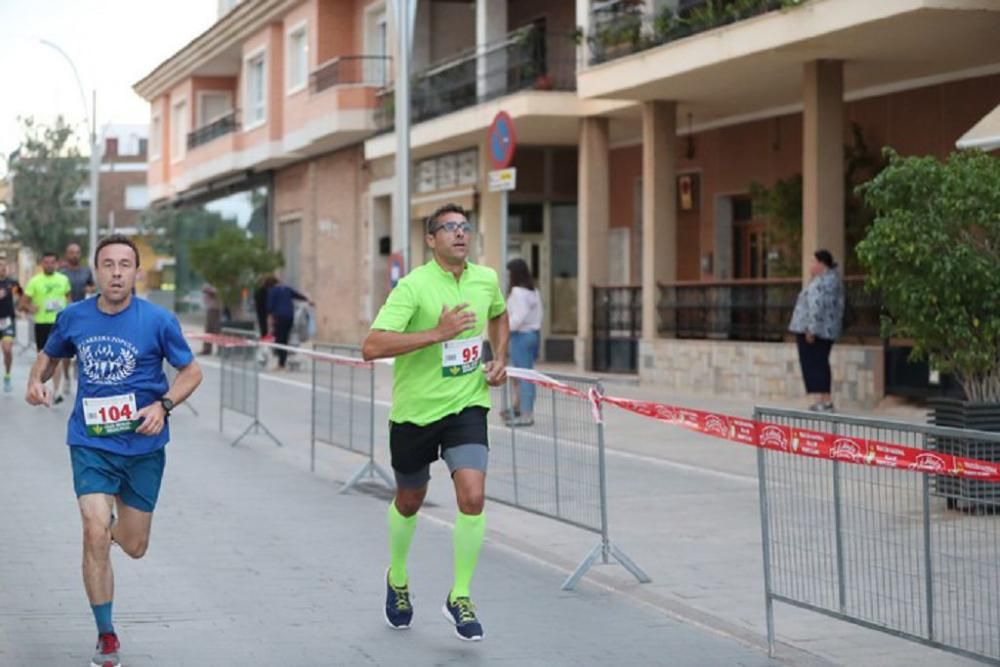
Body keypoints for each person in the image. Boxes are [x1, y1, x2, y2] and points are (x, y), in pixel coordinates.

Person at [24, 234, 203, 667]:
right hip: (91, 442)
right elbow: (49, 355)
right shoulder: (74, 317)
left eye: (125, 264)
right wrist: (35, 380)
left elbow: (191, 371)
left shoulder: (158, 321)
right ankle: (106, 636)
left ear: (136, 272)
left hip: (143, 445)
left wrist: (163, 405)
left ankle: (114, 523)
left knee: (135, 546)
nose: (117, 272)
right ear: (96, 271)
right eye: (108, 264)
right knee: (93, 531)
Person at [362, 203, 509, 642]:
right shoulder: (413, 287)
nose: (460, 234)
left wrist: (500, 357)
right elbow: (371, 346)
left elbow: (498, 314)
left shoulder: (486, 280)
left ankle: (459, 595)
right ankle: (399, 578)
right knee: (410, 499)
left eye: (465, 227)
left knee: (473, 495)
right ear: (431, 239)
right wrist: (437, 334)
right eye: (449, 228)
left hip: (467, 407)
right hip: (416, 413)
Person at [789, 249, 845, 412]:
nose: (811, 266)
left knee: (815, 364)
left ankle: (824, 400)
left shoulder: (820, 283)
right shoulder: (833, 280)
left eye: (813, 262)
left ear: (821, 264)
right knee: (820, 363)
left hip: (815, 331)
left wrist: (811, 330)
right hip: (827, 330)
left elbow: (816, 307)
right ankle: (823, 399)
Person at [21, 251, 72, 403]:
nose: (49, 265)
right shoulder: (34, 281)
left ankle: (56, 391)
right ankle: (39, 387)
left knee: (57, 357)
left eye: (52, 262)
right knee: (43, 358)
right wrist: (31, 308)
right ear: (42, 264)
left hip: (59, 323)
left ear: (56, 264)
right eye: (46, 262)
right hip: (42, 323)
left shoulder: (63, 279)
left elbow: (69, 300)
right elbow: (23, 303)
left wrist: (69, 314)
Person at [504, 258, 543, 427]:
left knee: (523, 376)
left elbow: (517, 318)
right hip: (533, 334)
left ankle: (526, 413)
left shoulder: (517, 293)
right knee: (527, 375)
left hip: (520, 336)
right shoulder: (533, 291)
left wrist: (505, 329)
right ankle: (520, 408)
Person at [60, 242, 97, 392]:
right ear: (66, 254)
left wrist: (89, 288)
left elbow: (93, 286)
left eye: (77, 252)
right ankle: (67, 377)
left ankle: (80, 373)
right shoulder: (61, 273)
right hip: (67, 314)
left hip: (84, 314)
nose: (74, 255)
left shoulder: (86, 271)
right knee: (66, 348)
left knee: (83, 346)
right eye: (71, 252)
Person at [266, 278, 312, 370]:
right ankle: (282, 362)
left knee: (279, 340)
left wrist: (270, 319)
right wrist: (308, 300)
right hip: (289, 317)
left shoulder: (272, 291)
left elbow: (270, 307)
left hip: (279, 317)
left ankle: (281, 364)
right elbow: (298, 295)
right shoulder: (286, 289)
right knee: (284, 339)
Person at [0, 256, 22, 392]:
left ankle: (7, 376)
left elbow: (22, 295)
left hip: (7, 320)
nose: (1, 268)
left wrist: (19, 308)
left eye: (3, 266)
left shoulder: (12, 282)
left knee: (7, 350)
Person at [200, 284, 221, 355]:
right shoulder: (210, 283)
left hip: (216, 309)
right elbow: (203, 288)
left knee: (216, 330)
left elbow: (215, 292)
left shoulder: (220, 283)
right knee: (208, 330)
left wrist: (209, 290)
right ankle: (207, 349)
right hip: (210, 308)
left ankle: (220, 349)